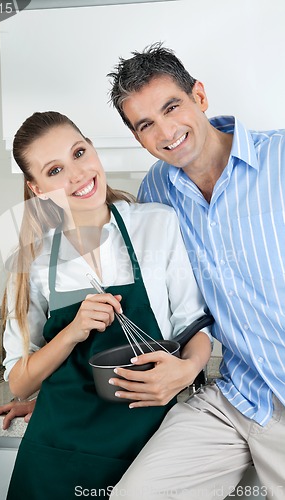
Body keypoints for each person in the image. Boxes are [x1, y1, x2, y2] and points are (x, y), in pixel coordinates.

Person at [0, 110, 212, 499]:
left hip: (149, 445)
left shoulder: (157, 225)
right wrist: (71, 333)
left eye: (79, 153)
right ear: (35, 188)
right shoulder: (33, 259)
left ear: (93, 149)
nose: (77, 175)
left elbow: (195, 328)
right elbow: (19, 380)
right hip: (57, 453)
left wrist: (186, 372)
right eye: (55, 170)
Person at [105, 43, 285, 499]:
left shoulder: (280, 160)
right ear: (137, 136)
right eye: (146, 124)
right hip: (238, 398)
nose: (166, 132)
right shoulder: (157, 189)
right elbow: (169, 302)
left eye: (172, 107)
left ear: (199, 96)